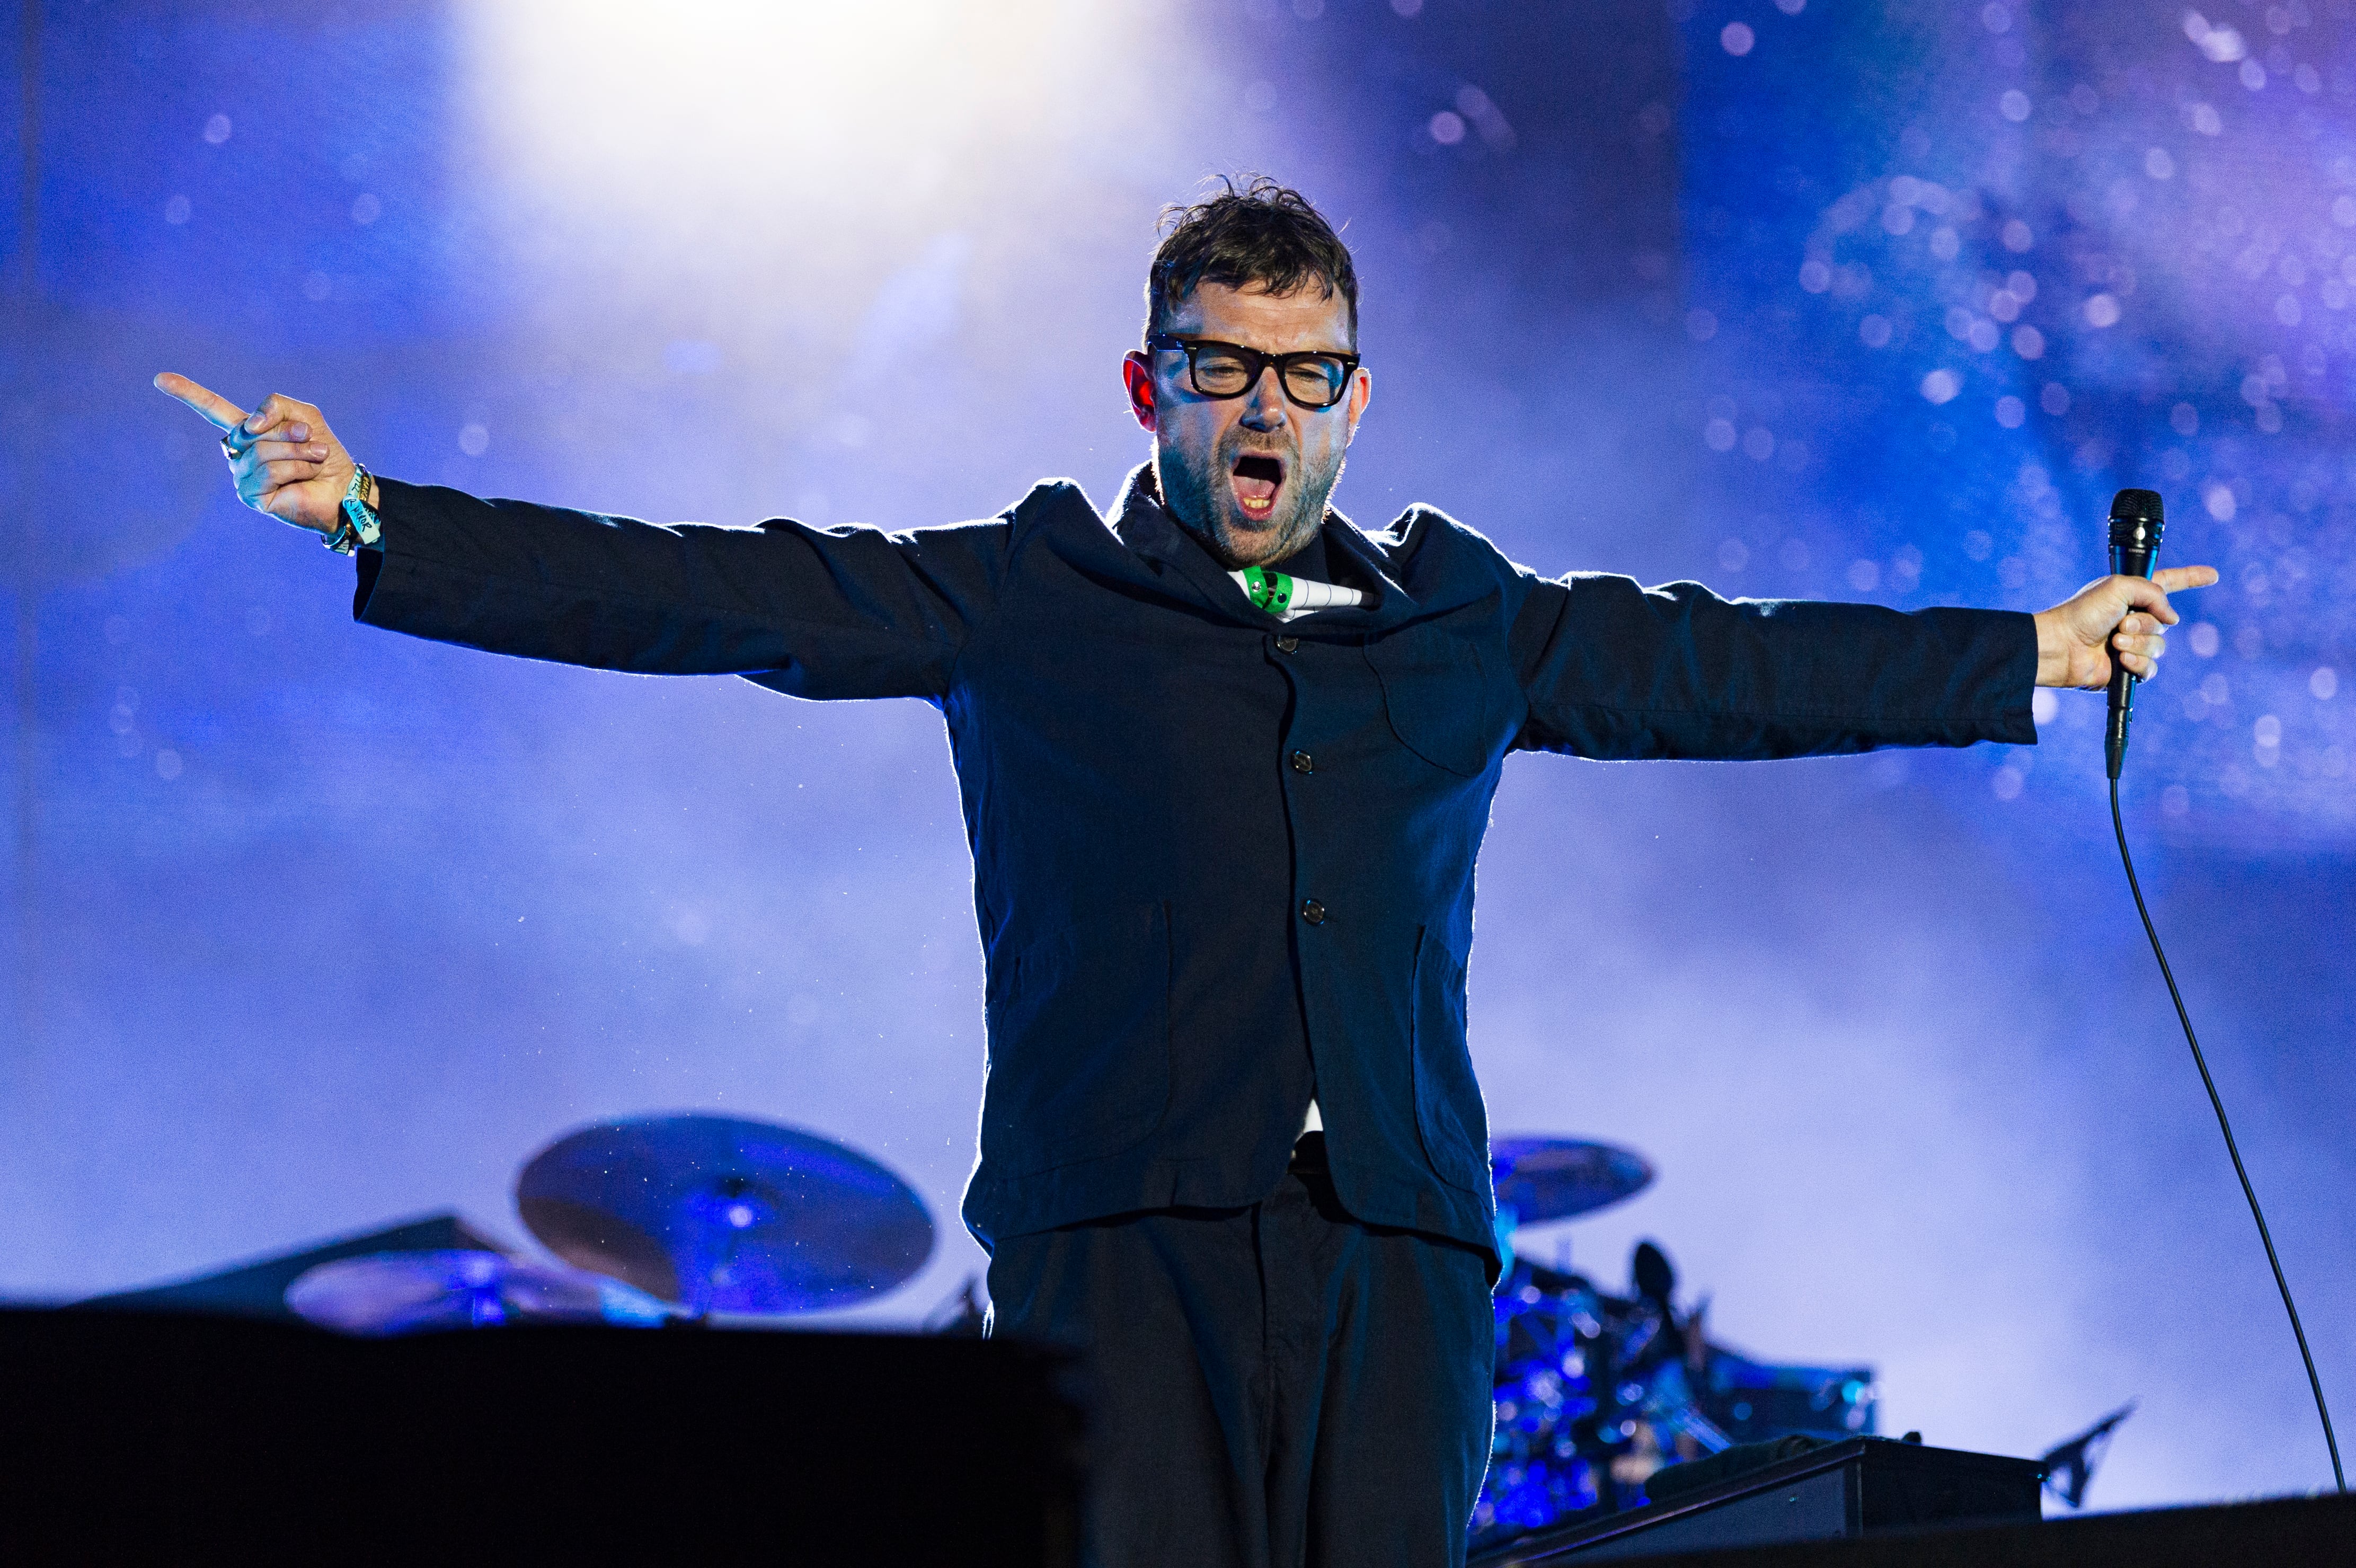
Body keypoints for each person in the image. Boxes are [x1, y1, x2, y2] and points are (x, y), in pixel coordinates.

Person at [156, 177, 2212, 1568]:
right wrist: (375, 522)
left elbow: (1720, 659)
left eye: (1301, 371)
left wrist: (2023, 651)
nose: (1261, 405)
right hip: (1119, 1235)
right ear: (1152, 386)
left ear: (1352, 398)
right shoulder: (1022, 600)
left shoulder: (1454, 620)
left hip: (1392, 1246)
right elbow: (705, 591)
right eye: (1219, 365)